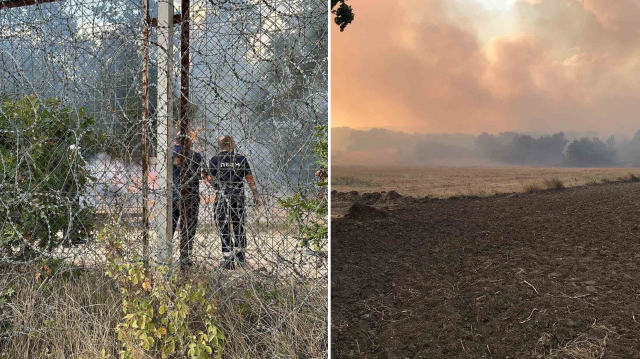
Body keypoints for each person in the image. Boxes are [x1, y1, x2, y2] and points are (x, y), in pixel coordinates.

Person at [207, 135, 261, 269]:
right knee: (239, 226)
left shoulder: (215, 160)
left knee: (223, 226)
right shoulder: (241, 159)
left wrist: (217, 186)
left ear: (220, 146)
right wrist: (255, 195)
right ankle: (241, 258)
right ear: (232, 144)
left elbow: (210, 178)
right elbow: (249, 178)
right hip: (238, 196)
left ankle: (228, 260)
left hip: (222, 197)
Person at [172, 133, 205, 269]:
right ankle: (185, 258)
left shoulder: (168, 153)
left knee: (169, 225)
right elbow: (199, 175)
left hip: (171, 194)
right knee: (188, 226)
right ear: (188, 142)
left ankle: (164, 255)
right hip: (189, 195)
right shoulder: (195, 155)